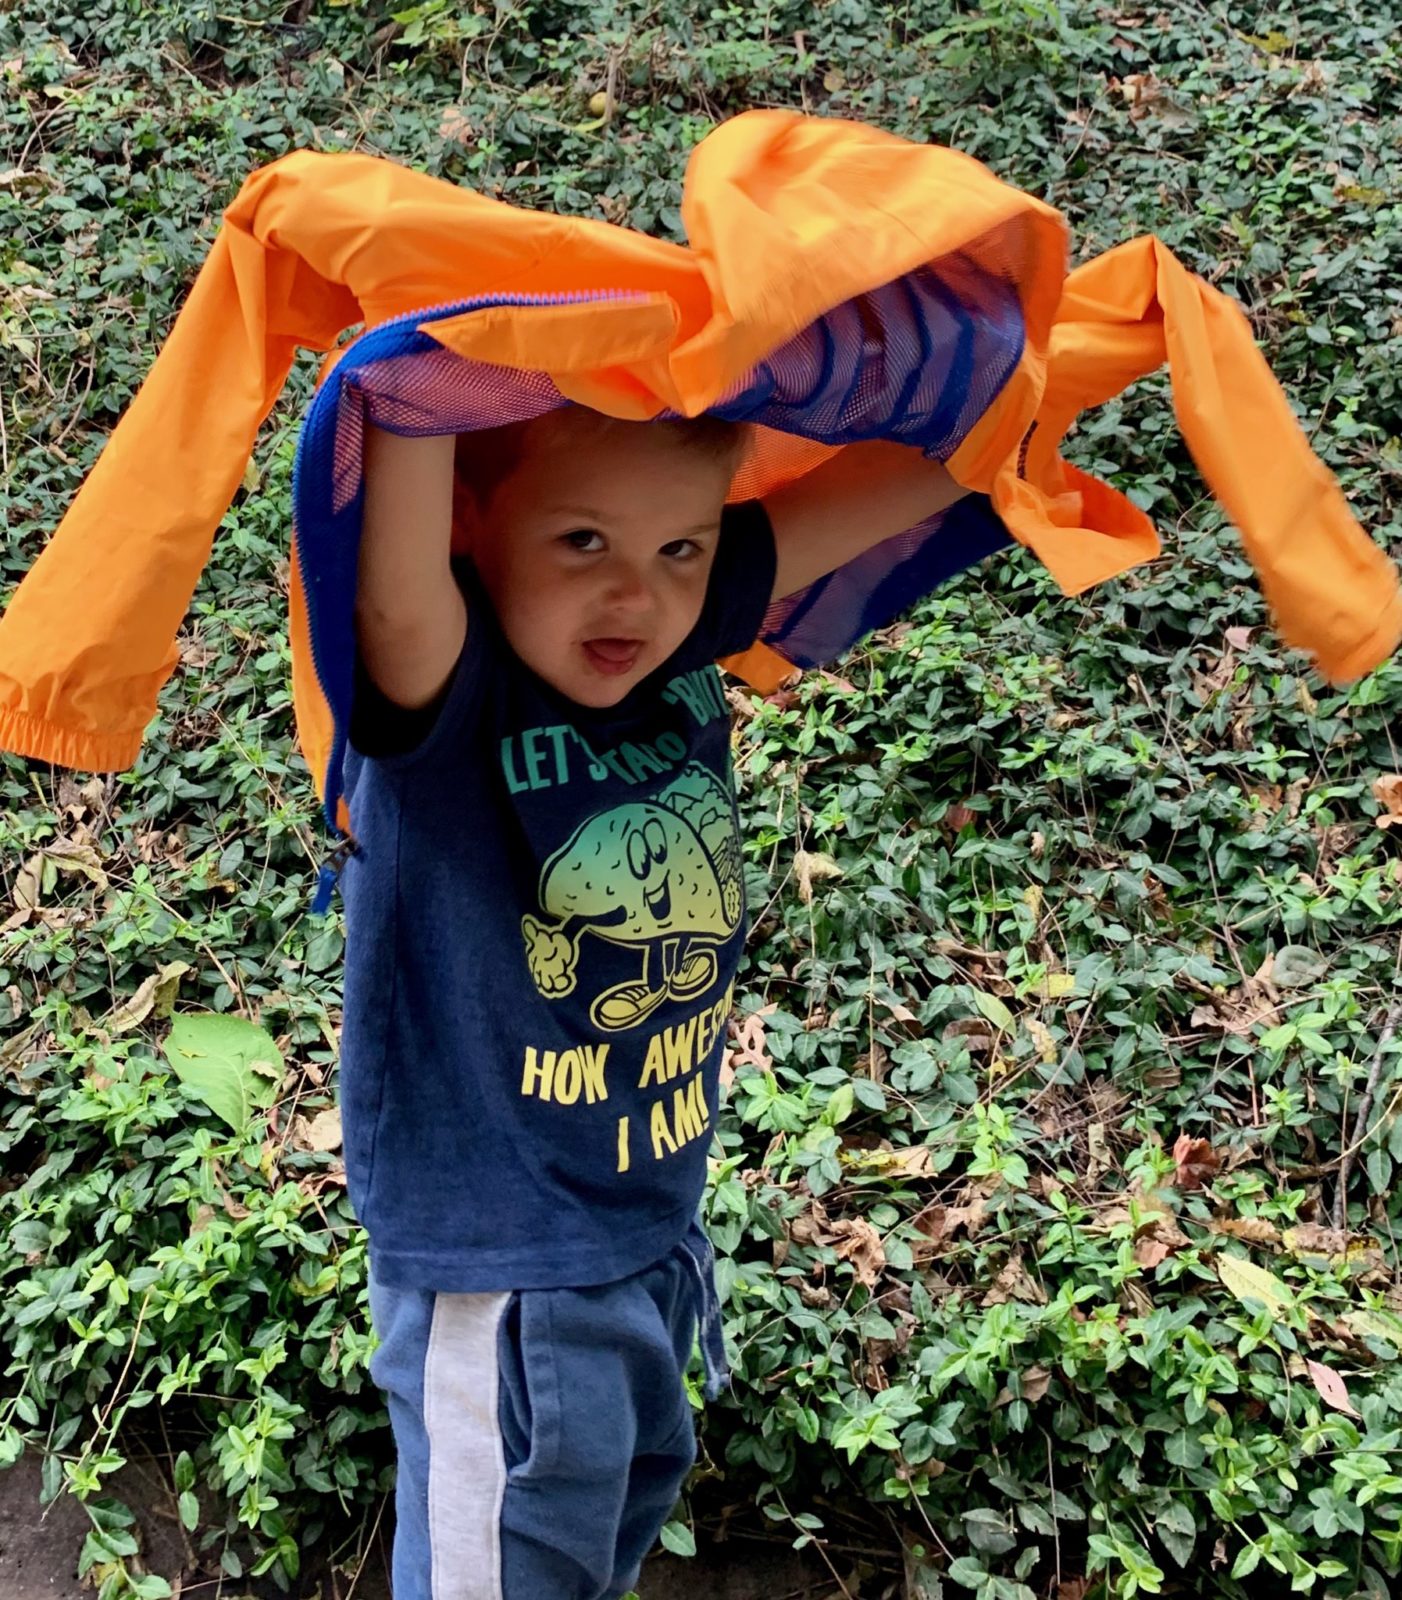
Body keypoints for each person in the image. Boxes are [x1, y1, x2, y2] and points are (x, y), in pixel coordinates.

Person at [344, 404, 966, 1600]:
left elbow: (938, 467)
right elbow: (395, 584)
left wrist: (1048, 370)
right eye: (582, 540)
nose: (636, 591)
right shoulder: (447, 678)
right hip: (507, 1274)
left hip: (646, 1237)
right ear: (474, 522)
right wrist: (424, 369)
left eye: (681, 546)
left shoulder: (678, 623)